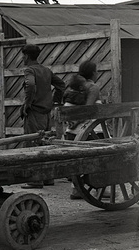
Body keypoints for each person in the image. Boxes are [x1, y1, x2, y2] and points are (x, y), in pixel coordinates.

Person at [20, 44, 66, 188]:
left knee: (32, 145)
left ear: (26, 56)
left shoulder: (29, 70)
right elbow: (61, 84)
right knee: (46, 145)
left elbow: (31, 86)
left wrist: (27, 104)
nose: (22, 58)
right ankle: (48, 178)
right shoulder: (46, 70)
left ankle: (34, 180)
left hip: (35, 113)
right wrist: (55, 101)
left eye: (22, 55)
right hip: (47, 114)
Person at [63, 60, 102, 198]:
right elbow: (88, 109)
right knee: (99, 158)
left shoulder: (73, 86)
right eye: (96, 70)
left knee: (76, 160)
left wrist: (72, 123)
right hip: (90, 131)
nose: (97, 73)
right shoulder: (93, 87)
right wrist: (77, 121)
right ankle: (101, 188)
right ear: (92, 73)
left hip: (71, 131)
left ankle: (75, 188)